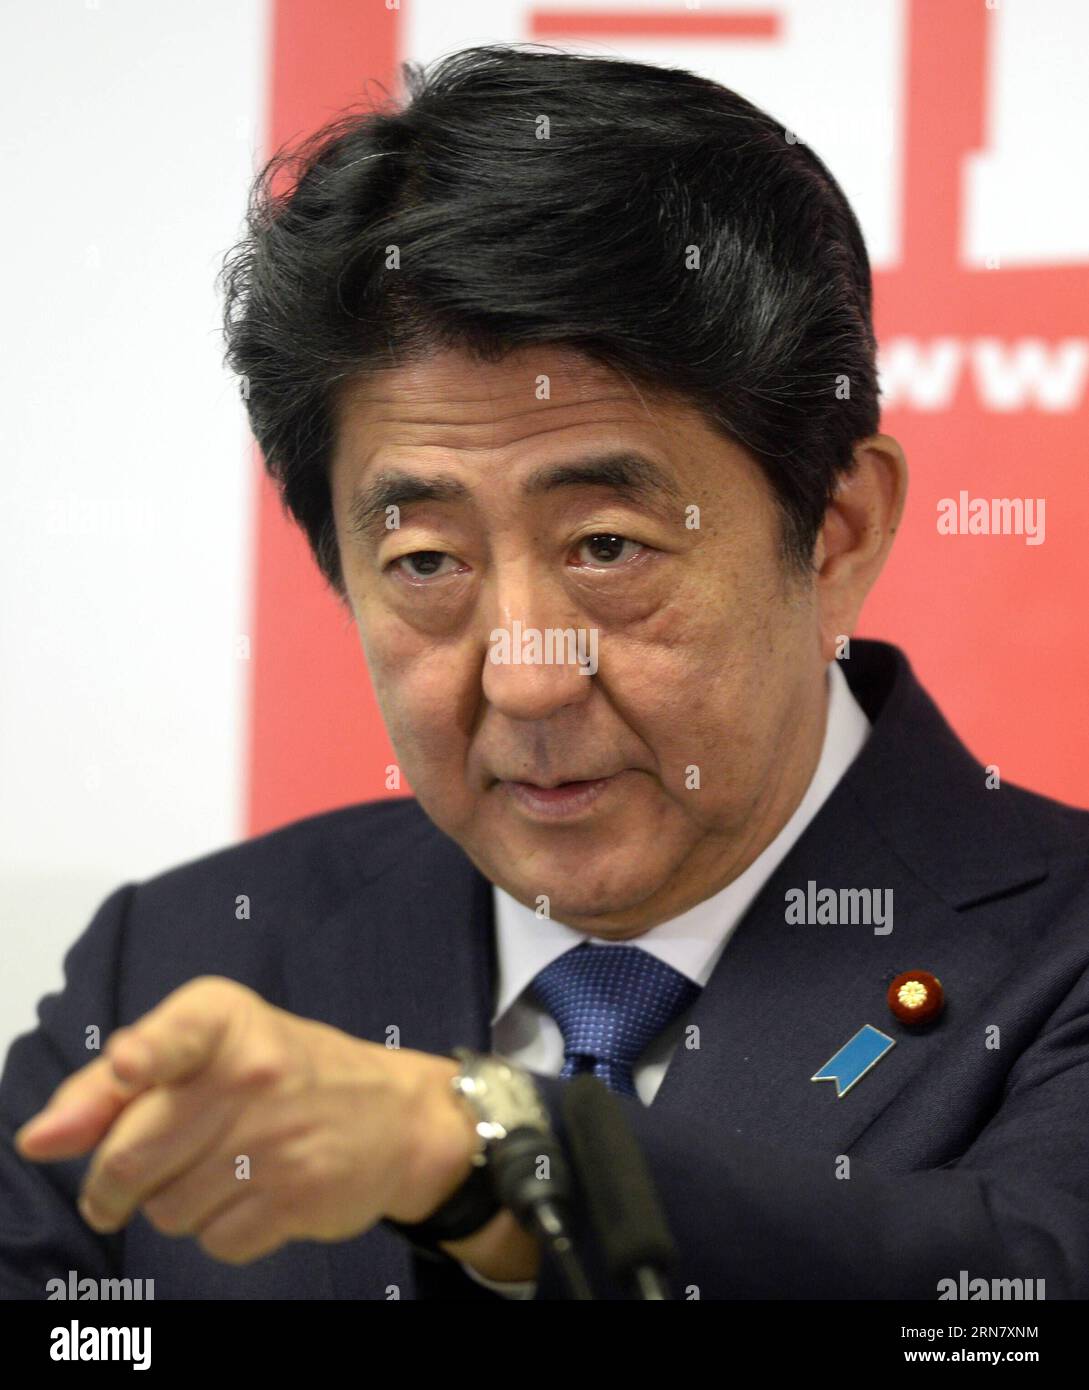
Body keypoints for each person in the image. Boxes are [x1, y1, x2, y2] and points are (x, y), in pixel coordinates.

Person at [3, 44, 1088, 1302]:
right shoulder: (182, 967)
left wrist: (483, 1148)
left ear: (837, 528)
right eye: (424, 561)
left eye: (607, 547)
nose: (525, 678)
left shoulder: (1058, 954)